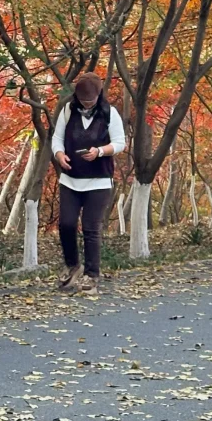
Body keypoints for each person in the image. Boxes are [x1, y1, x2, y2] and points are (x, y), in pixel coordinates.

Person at [52, 73, 126, 291]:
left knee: (91, 228)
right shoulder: (68, 110)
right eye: (83, 100)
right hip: (70, 179)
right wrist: (59, 154)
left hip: (99, 181)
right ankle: (72, 265)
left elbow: (120, 143)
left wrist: (100, 151)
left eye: (90, 101)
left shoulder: (109, 113)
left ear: (98, 96)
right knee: (66, 224)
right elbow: (57, 137)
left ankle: (92, 274)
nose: (86, 104)